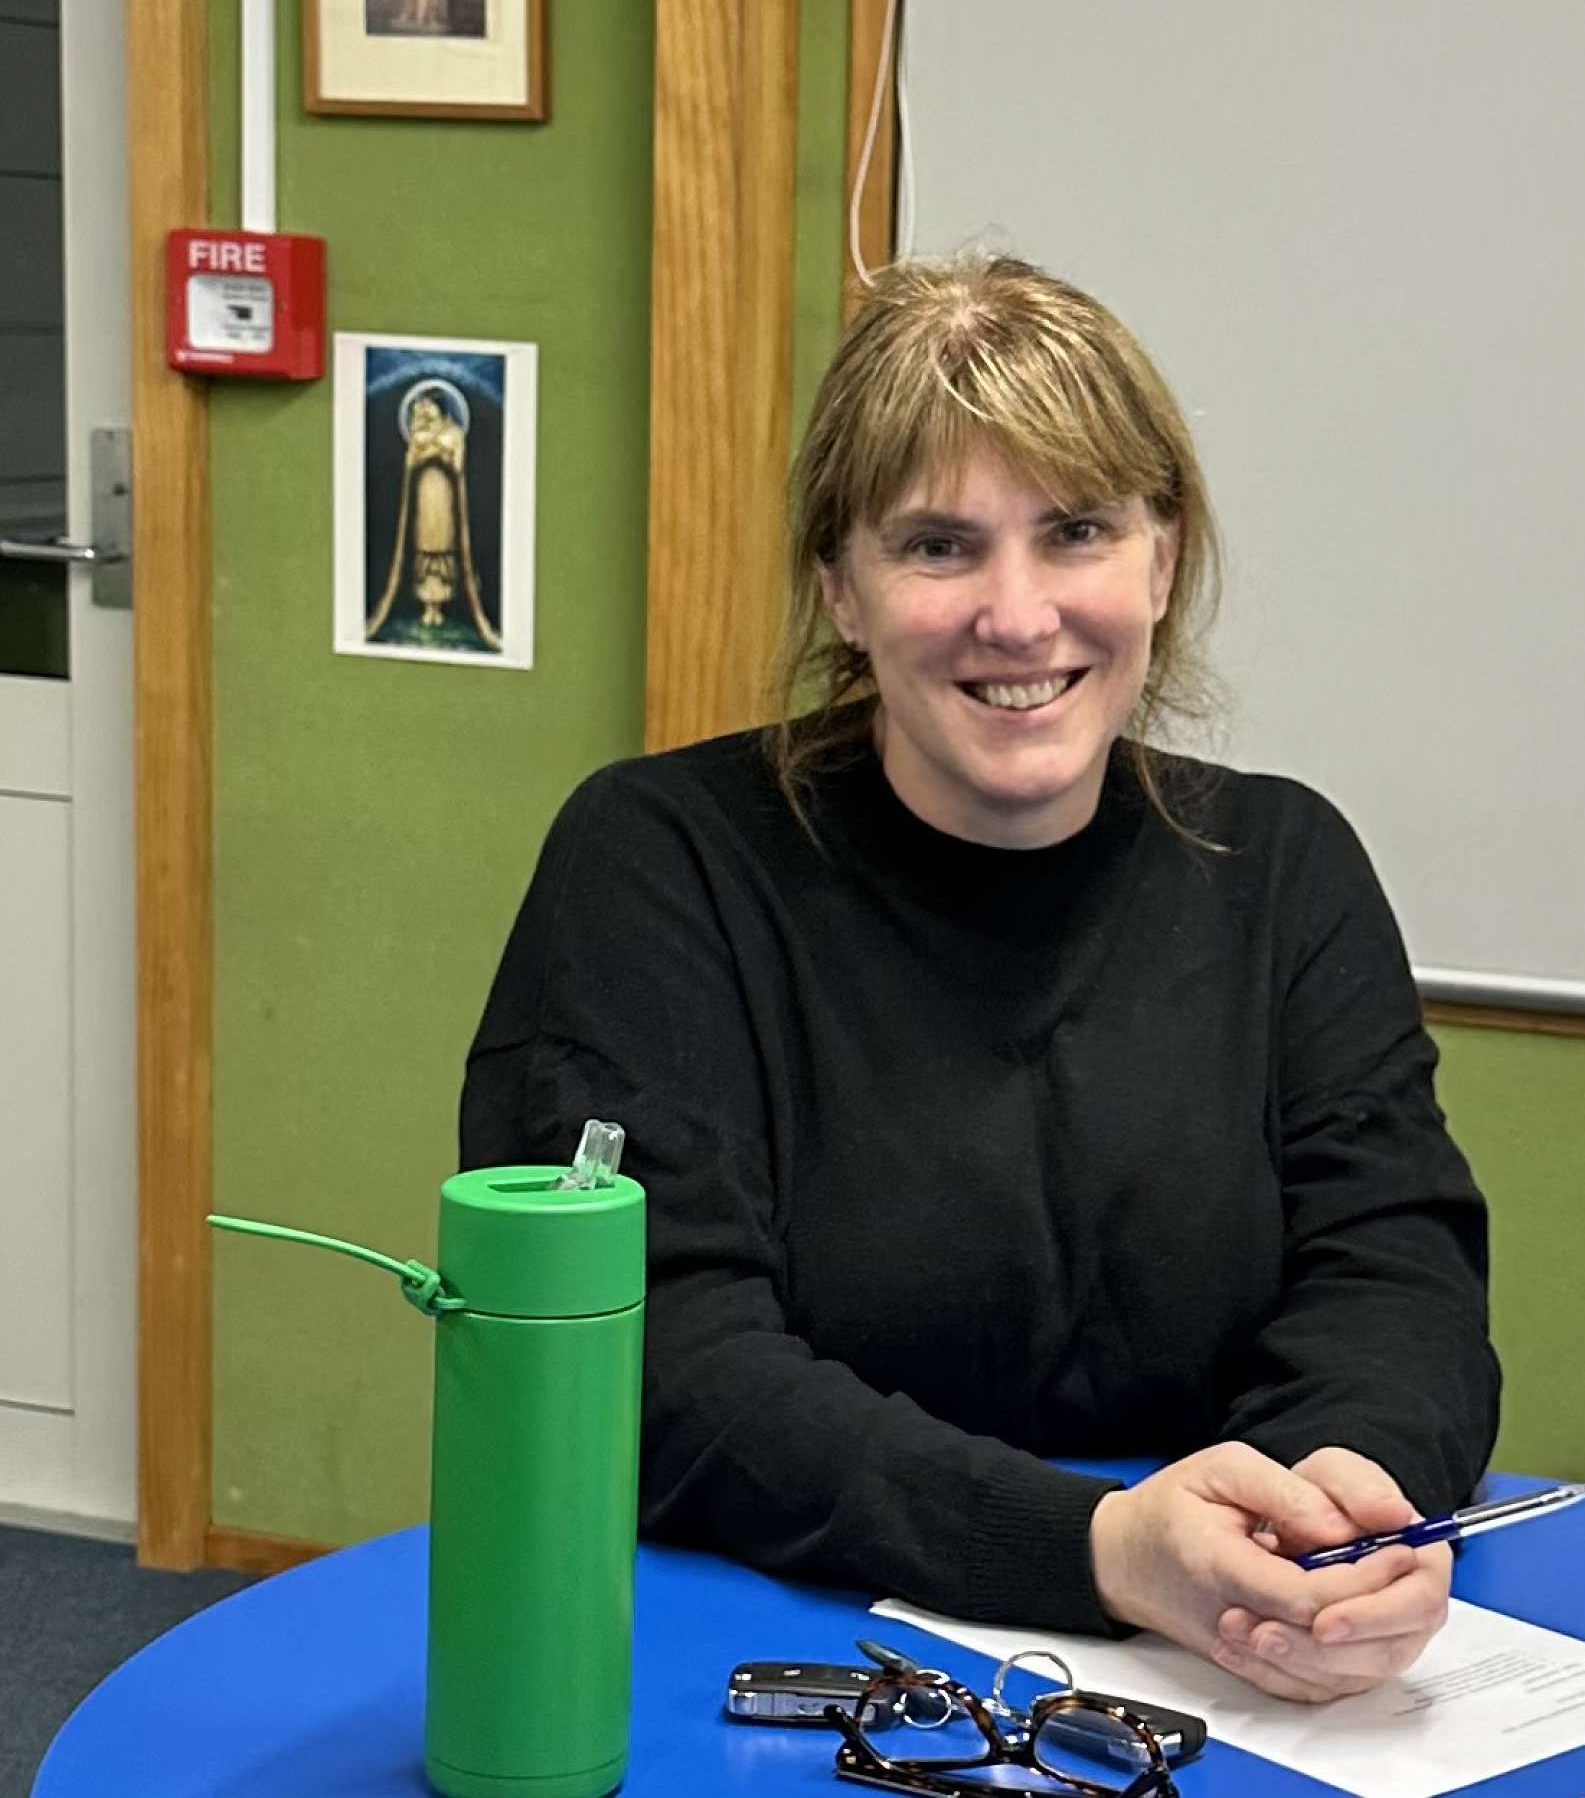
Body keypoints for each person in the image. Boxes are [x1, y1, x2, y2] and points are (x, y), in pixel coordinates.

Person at [459, 254, 1500, 1704]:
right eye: (939, 546)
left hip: (1221, 1665)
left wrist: (1326, 1508)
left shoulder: (1285, 868)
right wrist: (1098, 1550)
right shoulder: (661, 862)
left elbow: (1399, 1280)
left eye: (1077, 531)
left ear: (1162, 560)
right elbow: (664, 1361)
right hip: (780, 1655)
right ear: (841, 587)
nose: (1017, 617)